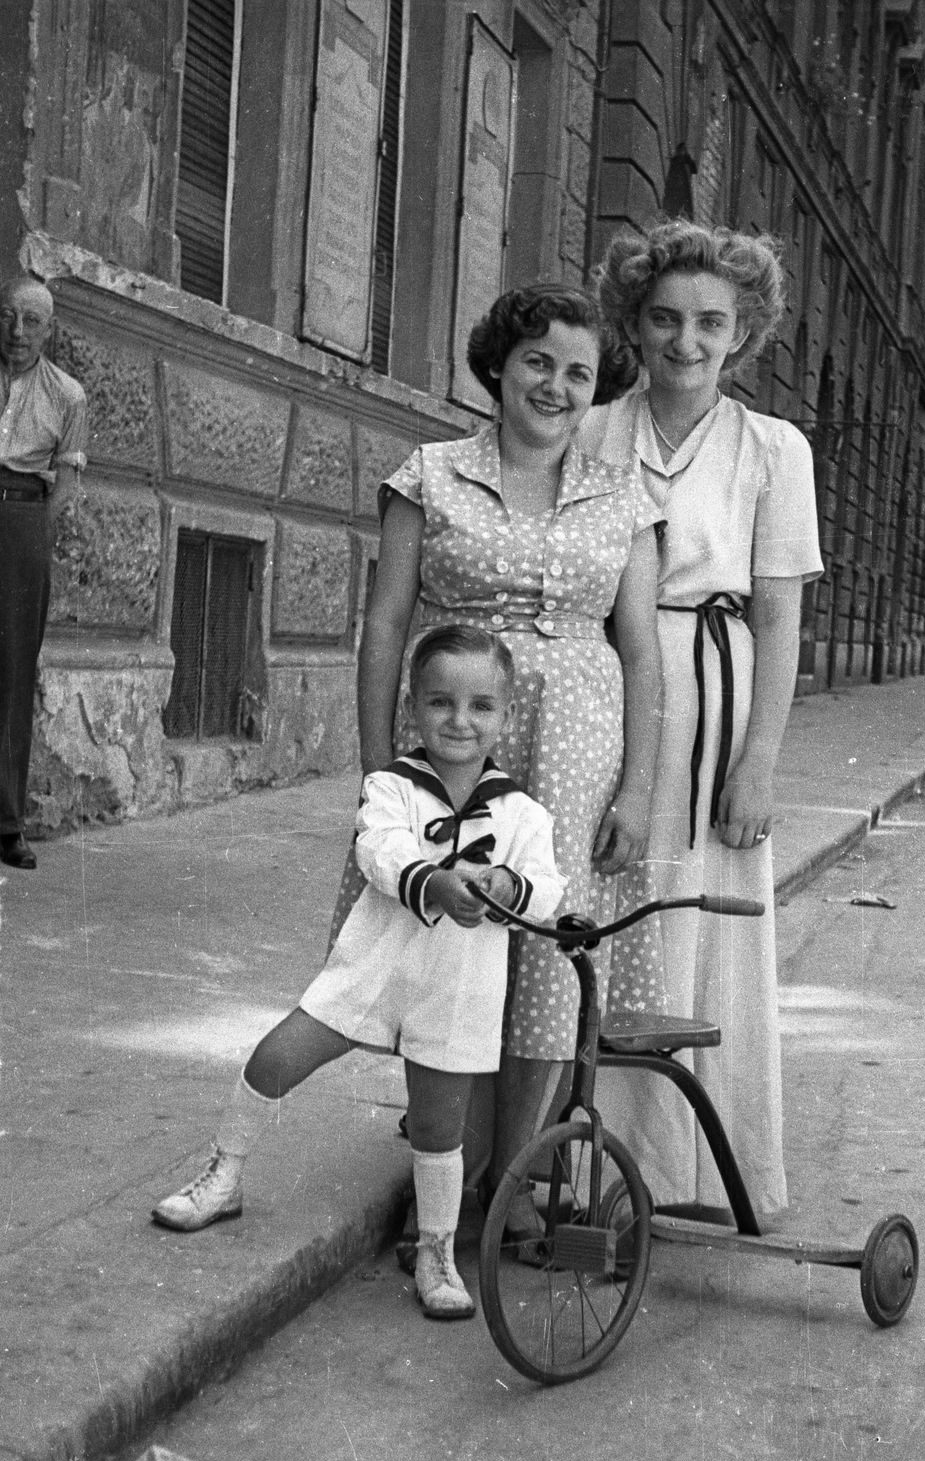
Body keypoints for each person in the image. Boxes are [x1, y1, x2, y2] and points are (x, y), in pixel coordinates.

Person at [352, 283, 662, 1232]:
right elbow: (384, 626)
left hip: (576, 749)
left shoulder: (625, 497)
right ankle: (446, 1171)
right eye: (538, 362)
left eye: (578, 372)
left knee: (540, 950)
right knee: (447, 943)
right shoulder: (430, 475)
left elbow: (643, 651)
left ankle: (510, 1183)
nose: (556, 386)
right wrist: (379, 780)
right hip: (452, 741)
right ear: (499, 365)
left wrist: (639, 789)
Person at [153, 627, 566, 1320]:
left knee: (440, 1126)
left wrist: (501, 883)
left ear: (506, 718)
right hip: (374, 966)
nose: (459, 721)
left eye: (480, 706)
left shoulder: (523, 813)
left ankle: (435, 1249)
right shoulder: (390, 787)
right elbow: (378, 850)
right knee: (276, 1056)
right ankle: (222, 1175)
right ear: (412, 708)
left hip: (458, 984)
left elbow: (547, 890)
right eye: (440, 703)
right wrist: (434, 882)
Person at [582, 220, 823, 1221]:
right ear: (632, 325)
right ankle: (589, 1167)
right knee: (600, 916)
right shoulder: (593, 431)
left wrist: (757, 763)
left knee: (705, 928)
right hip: (604, 689)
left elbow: (776, 614)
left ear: (741, 333)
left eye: (709, 323)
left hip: (718, 703)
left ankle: (697, 1172)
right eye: (665, 319)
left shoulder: (772, 448)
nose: (685, 341)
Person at [0, 274, 87, 869]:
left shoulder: (68, 397)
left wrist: (28, 530)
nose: (17, 332)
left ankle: (6, 823)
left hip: (22, 520)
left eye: (32, 321)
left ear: (49, 330)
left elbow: (66, 486)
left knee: (11, 671)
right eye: (8, 316)